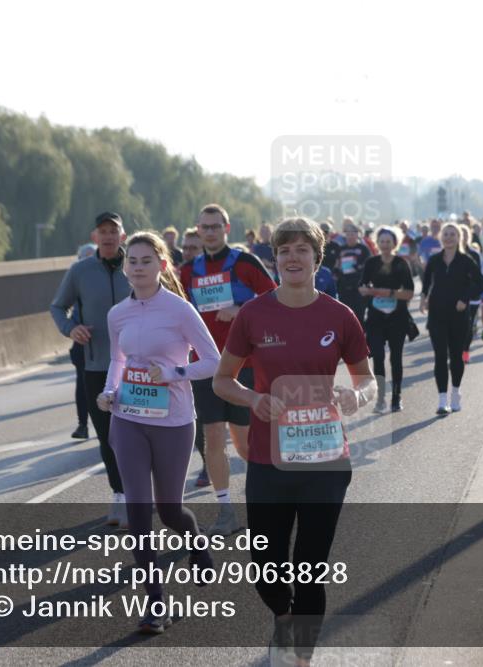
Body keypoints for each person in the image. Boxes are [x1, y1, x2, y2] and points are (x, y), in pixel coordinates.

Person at [212, 217, 374, 666]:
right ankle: (284, 618)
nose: (293, 257)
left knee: (309, 568)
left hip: (326, 461)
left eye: (302, 249)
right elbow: (222, 380)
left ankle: (299, 656)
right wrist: (252, 398)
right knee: (266, 568)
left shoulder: (339, 316)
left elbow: (368, 381)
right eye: (284, 250)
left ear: (317, 259)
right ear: (275, 259)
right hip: (268, 459)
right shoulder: (254, 314)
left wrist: (355, 396)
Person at [96, 231, 219, 633]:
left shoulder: (180, 310)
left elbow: (213, 362)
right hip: (128, 418)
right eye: (132, 260)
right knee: (138, 509)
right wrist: (110, 391)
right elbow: (118, 360)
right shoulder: (118, 314)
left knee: (169, 511)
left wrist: (171, 374)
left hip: (174, 420)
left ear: (162, 266)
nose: (137, 267)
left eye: (146, 260)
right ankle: (155, 602)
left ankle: (195, 538)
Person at [180, 203, 277, 536]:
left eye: (215, 226)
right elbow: (176, 312)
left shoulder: (245, 262)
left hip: (243, 365)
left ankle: (268, 500)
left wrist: (240, 309)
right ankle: (226, 511)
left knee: (245, 444)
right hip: (205, 366)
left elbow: (275, 300)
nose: (210, 232)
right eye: (204, 227)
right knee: (212, 440)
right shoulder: (187, 271)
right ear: (197, 229)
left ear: (227, 228)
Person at [50, 211, 130, 527]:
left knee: (141, 434)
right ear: (95, 237)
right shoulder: (80, 271)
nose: (108, 236)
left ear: (122, 236)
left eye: (114, 230)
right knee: (109, 436)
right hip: (96, 366)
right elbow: (57, 306)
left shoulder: (137, 266)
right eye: (102, 231)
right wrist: (71, 329)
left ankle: (143, 489)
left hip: (137, 368)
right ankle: (121, 495)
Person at [421, 222, 483, 415]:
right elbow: (426, 283)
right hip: (437, 315)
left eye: (452, 234)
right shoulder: (434, 260)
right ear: (441, 237)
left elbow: (481, 284)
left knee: (456, 357)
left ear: (459, 238)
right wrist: (423, 299)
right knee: (440, 357)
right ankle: (442, 400)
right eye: (446, 234)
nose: (448, 237)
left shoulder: (466, 260)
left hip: (458, 316)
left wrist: (465, 298)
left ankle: (455, 393)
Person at [359, 226, 414, 412]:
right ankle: (381, 398)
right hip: (375, 318)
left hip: (397, 318)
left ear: (394, 243)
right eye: (381, 241)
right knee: (378, 358)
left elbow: (409, 293)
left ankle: (396, 397)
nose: (384, 245)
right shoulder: (371, 263)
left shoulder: (401, 263)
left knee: (396, 358)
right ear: (377, 243)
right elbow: (362, 286)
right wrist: (367, 290)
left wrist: (386, 293)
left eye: (388, 241)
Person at [180, 229, 212, 487]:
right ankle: (207, 466)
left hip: (224, 354)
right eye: (186, 247)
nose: (188, 252)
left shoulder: (212, 275)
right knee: (201, 415)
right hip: (192, 358)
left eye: (194, 247)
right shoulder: (178, 276)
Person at [69, 241, 98, 440]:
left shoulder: (111, 277)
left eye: (91, 258)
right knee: (83, 384)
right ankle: (82, 424)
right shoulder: (74, 280)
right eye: (83, 258)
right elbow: (60, 307)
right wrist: (72, 328)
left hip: (107, 343)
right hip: (83, 342)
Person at [332, 219, 372, 329]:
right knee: (347, 314)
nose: (350, 236)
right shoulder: (341, 249)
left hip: (359, 287)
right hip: (344, 287)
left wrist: (357, 268)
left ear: (358, 235)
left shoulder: (363, 249)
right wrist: (336, 276)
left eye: (352, 234)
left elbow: (368, 267)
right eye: (347, 234)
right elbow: (337, 266)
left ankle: (362, 338)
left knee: (359, 315)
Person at [460, 226, 483, 363]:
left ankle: (465, 350)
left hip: (472, 296)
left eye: (464, 234)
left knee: (468, 325)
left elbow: (480, 277)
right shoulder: (449, 254)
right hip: (455, 297)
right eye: (459, 234)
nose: (461, 237)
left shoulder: (474, 254)